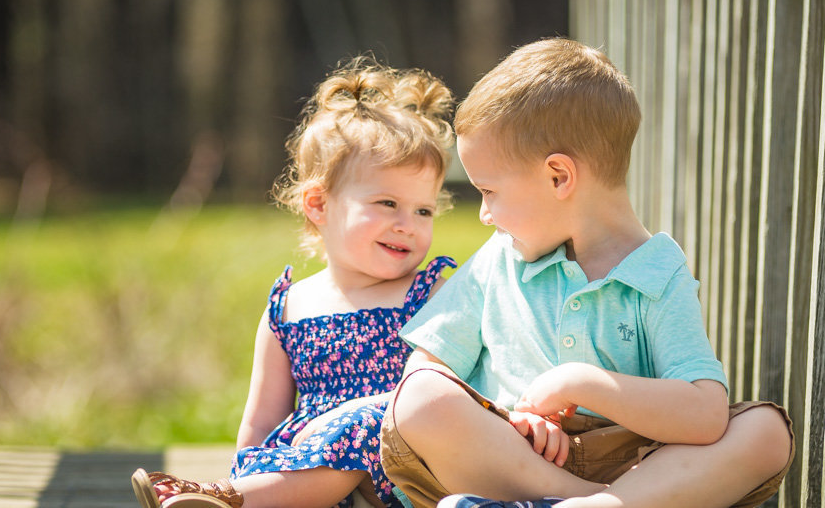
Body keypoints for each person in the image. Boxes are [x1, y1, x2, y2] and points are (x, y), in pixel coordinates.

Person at [378, 38, 795, 508]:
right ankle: (595, 502)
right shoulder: (500, 260)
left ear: (559, 176)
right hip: (516, 461)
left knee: (767, 431)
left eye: (489, 191)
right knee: (419, 399)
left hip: (639, 464)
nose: (485, 214)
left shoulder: (657, 276)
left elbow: (705, 415)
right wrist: (510, 421)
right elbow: (427, 369)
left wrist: (584, 382)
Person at [132, 56, 458, 508]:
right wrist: (244, 469)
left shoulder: (430, 295)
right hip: (306, 476)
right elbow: (261, 421)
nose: (409, 224)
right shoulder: (289, 308)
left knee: (364, 419)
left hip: (403, 470)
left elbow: (446, 396)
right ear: (319, 205)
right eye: (387, 203)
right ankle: (235, 497)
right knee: (273, 462)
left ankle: (233, 501)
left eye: (423, 210)